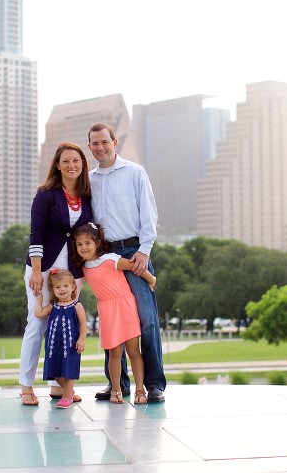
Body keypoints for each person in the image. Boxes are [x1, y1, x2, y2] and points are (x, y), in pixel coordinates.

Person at [87, 122, 167, 403]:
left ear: (114, 142)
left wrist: (144, 251)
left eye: (104, 142)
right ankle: (117, 384)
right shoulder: (90, 179)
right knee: (112, 319)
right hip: (106, 256)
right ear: (90, 147)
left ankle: (155, 384)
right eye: (95, 144)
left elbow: (149, 213)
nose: (100, 147)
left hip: (134, 251)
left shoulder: (135, 172)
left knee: (145, 320)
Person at [19, 142, 93, 406]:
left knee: (65, 327)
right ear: (57, 165)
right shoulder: (45, 194)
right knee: (37, 324)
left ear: (83, 164)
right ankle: (26, 386)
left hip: (73, 273)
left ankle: (57, 386)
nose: (71, 165)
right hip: (43, 268)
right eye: (65, 161)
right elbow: (35, 234)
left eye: (76, 160)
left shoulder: (87, 196)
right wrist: (37, 272)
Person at [74, 222, 155, 404]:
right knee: (114, 353)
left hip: (125, 306)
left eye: (88, 243)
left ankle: (140, 390)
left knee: (134, 351)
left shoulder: (111, 259)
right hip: (107, 311)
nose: (84, 247)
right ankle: (116, 390)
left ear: (97, 243)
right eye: (79, 244)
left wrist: (151, 278)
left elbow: (135, 266)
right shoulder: (84, 267)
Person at [34, 268, 88, 409]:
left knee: (68, 371)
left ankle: (67, 396)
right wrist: (38, 299)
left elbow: (83, 324)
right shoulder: (53, 306)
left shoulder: (77, 305)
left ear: (73, 287)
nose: (62, 289)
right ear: (52, 290)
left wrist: (81, 339)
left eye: (65, 286)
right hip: (53, 346)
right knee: (55, 371)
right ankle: (70, 392)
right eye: (58, 287)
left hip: (70, 346)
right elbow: (39, 314)